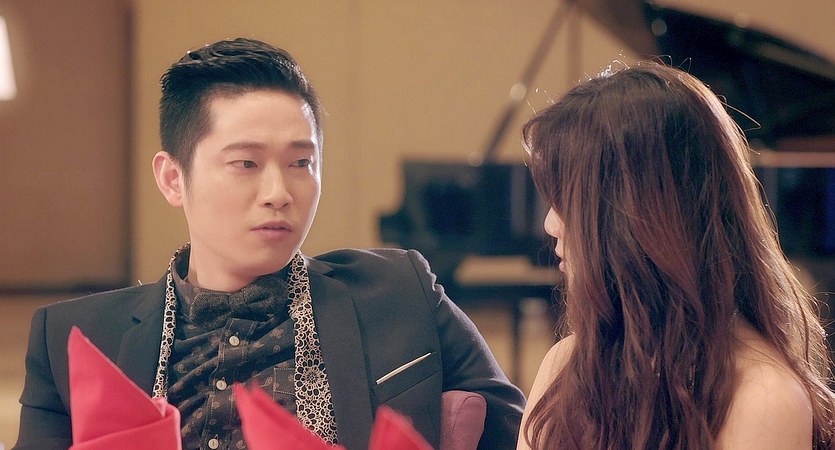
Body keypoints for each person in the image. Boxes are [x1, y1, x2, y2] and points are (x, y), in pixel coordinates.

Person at [13, 37, 525, 450]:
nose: (279, 193)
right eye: (246, 163)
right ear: (173, 179)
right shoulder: (73, 340)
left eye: (301, 163)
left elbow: (528, 436)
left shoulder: (398, 292)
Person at [516, 63, 835, 450]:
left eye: (568, 201)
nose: (551, 224)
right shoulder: (566, 364)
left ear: (637, 217)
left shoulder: (763, 398)